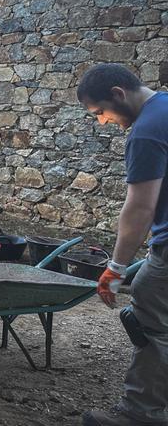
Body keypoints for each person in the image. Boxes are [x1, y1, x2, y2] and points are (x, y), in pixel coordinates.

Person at [77, 64, 168, 426]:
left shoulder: (146, 131)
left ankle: (139, 413)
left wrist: (115, 267)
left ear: (118, 94)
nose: (102, 122)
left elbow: (140, 208)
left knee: (150, 313)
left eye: (100, 112)